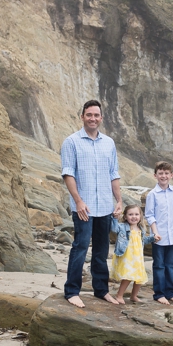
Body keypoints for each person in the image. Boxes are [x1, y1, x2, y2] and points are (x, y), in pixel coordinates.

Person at [60, 100, 123, 307]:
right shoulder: (71, 142)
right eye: (89, 115)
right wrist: (78, 201)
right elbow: (68, 173)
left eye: (96, 115)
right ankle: (72, 291)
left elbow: (113, 174)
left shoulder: (109, 143)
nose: (93, 118)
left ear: (101, 118)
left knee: (101, 250)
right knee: (80, 247)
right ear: (82, 117)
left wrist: (119, 200)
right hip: (84, 207)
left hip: (105, 205)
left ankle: (101, 290)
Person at [145, 161, 173, 305]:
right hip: (159, 236)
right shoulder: (152, 195)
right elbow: (150, 216)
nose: (164, 176)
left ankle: (170, 293)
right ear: (155, 175)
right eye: (160, 173)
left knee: (170, 265)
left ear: (172, 175)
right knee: (159, 265)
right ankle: (159, 294)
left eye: (166, 173)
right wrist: (155, 233)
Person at [110, 205, 152, 304]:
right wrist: (115, 218)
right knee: (128, 276)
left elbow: (143, 240)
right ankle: (119, 295)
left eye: (136, 214)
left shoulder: (141, 228)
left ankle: (134, 296)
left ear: (140, 216)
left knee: (139, 277)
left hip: (137, 256)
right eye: (130, 214)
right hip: (127, 255)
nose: (134, 217)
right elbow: (114, 229)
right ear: (125, 217)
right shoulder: (123, 227)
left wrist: (153, 238)